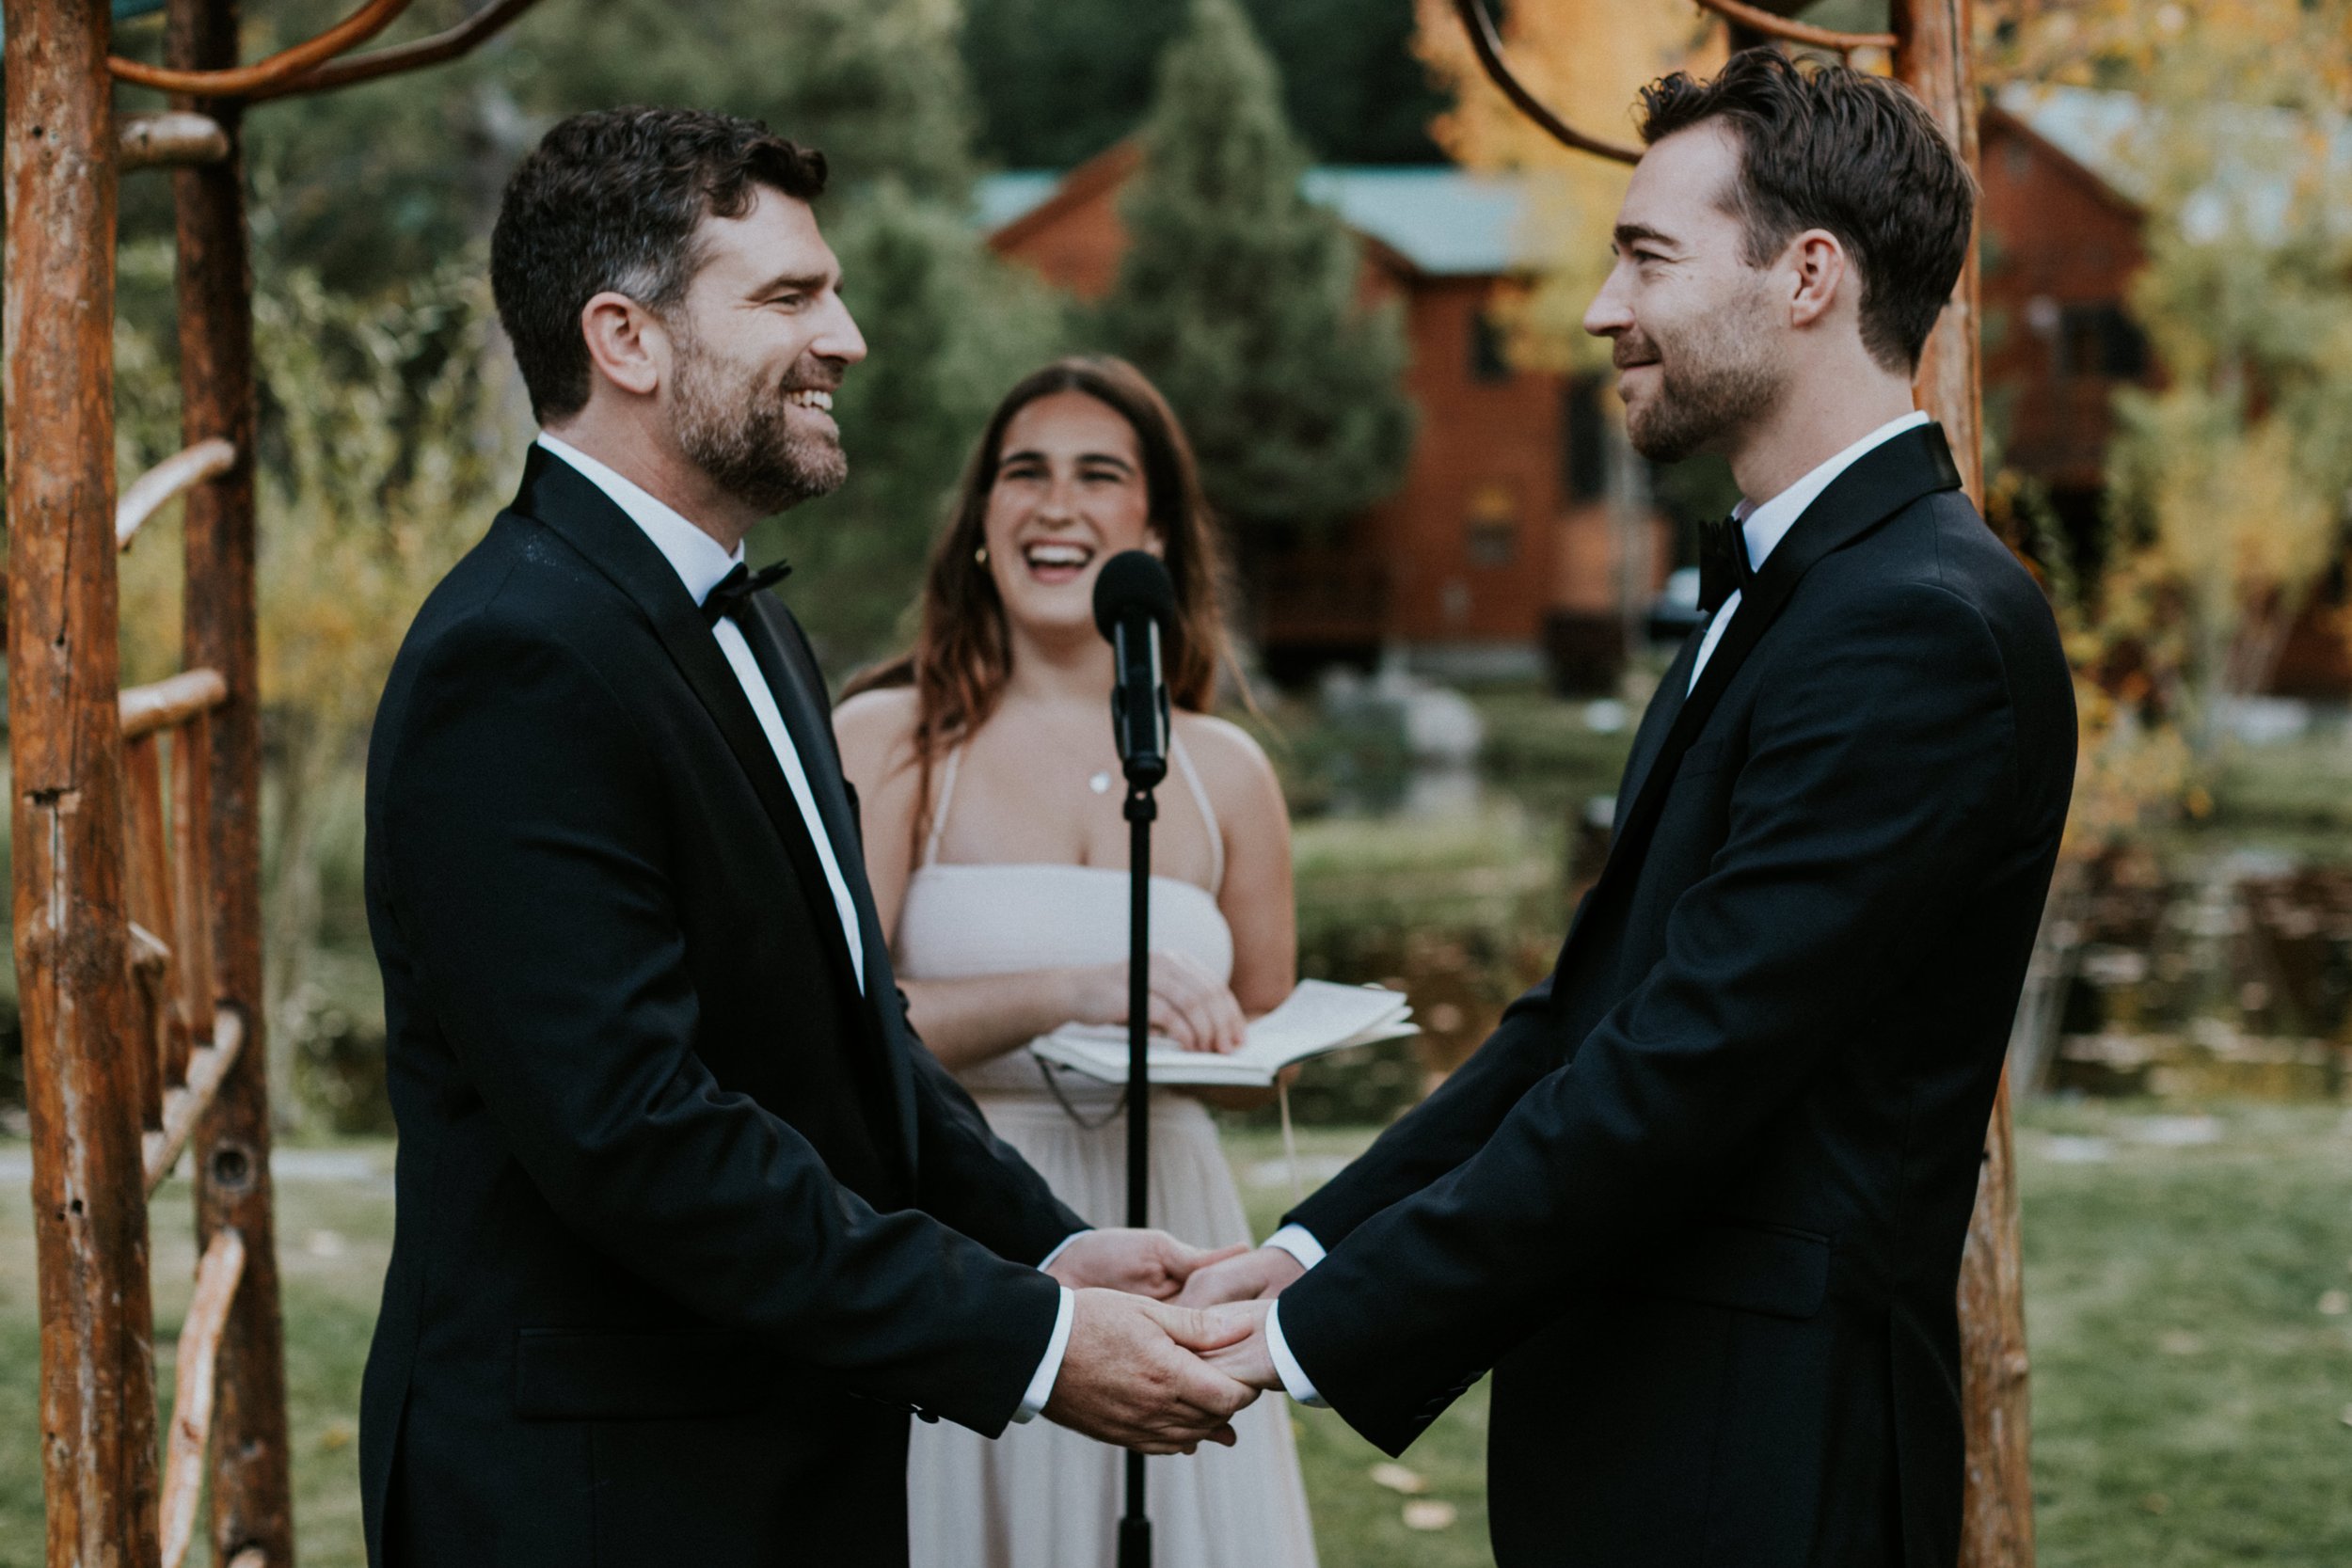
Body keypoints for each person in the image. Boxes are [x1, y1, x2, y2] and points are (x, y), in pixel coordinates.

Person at [1184, 49, 2077, 1568]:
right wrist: (1303, 1251)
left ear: (1808, 276)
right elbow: (1582, 1021)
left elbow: (1684, 1070)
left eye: (1647, 256)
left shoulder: (1924, 623)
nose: (1604, 308)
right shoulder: (1790, 593)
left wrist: (1316, 1338)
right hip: (1647, 1435)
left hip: (1765, 1461)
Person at [357, 109, 1260, 1568]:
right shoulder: (515, 659)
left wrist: (1040, 1244)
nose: (844, 336)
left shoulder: (753, 627)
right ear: (625, 340)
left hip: (781, 1458)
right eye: (786, 298)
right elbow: (641, 1135)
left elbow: (847, 1037)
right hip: (605, 1497)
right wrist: (1027, 1338)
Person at [835, 356, 1318, 1568]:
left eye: (1098, 474)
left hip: (1178, 1223)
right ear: (982, 524)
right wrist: (1076, 990)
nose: (1057, 504)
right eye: (1024, 473)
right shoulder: (891, 740)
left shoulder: (1227, 771)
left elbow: (1264, 1019)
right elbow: (840, 1029)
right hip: (967, 1225)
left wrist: (1235, 1043)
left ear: (1150, 527)